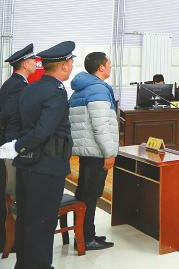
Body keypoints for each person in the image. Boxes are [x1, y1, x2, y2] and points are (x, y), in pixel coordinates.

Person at [1, 41, 75, 269]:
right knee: (42, 222)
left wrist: (15, 145)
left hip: (26, 165)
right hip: (47, 166)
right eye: (71, 62)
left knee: (26, 218)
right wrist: (18, 146)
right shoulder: (56, 91)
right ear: (64, 66)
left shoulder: (29, 88)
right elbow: (44, 130)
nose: (71, 66)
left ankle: (24, 264)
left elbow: (14, 121)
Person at [69, 52, 118, 251]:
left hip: (86, 150)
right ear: (101, 67)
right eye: (109, 64)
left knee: (85, 194)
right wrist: (109, 153)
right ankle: (86, 239)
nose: (111, 67)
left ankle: (84, 234)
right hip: (96, 151)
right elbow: (100, 126)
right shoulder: (97, 89)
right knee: (89, 196)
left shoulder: (83, 88)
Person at [0, 44, 36, 251]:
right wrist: (17, 142)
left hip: (11, 142)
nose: (35, 63)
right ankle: (12, 241)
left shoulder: (15, 83)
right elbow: (9, 116)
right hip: (12, 145)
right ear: (24, 64)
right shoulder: (17, 86)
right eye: (32, 61)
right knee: (13, 193)